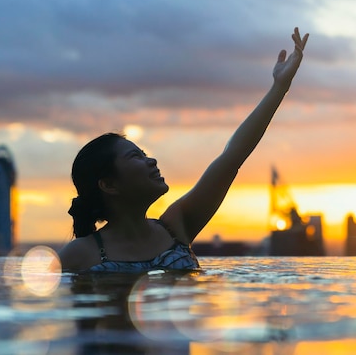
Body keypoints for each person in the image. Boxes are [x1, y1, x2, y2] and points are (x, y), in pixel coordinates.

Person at [59, 27, 309, 272]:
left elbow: (233, 157)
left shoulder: (175, 225)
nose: (152, 161)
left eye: (145, 154)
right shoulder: (79, 254)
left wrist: (279, 87)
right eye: (136, 156)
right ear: (108, 184)